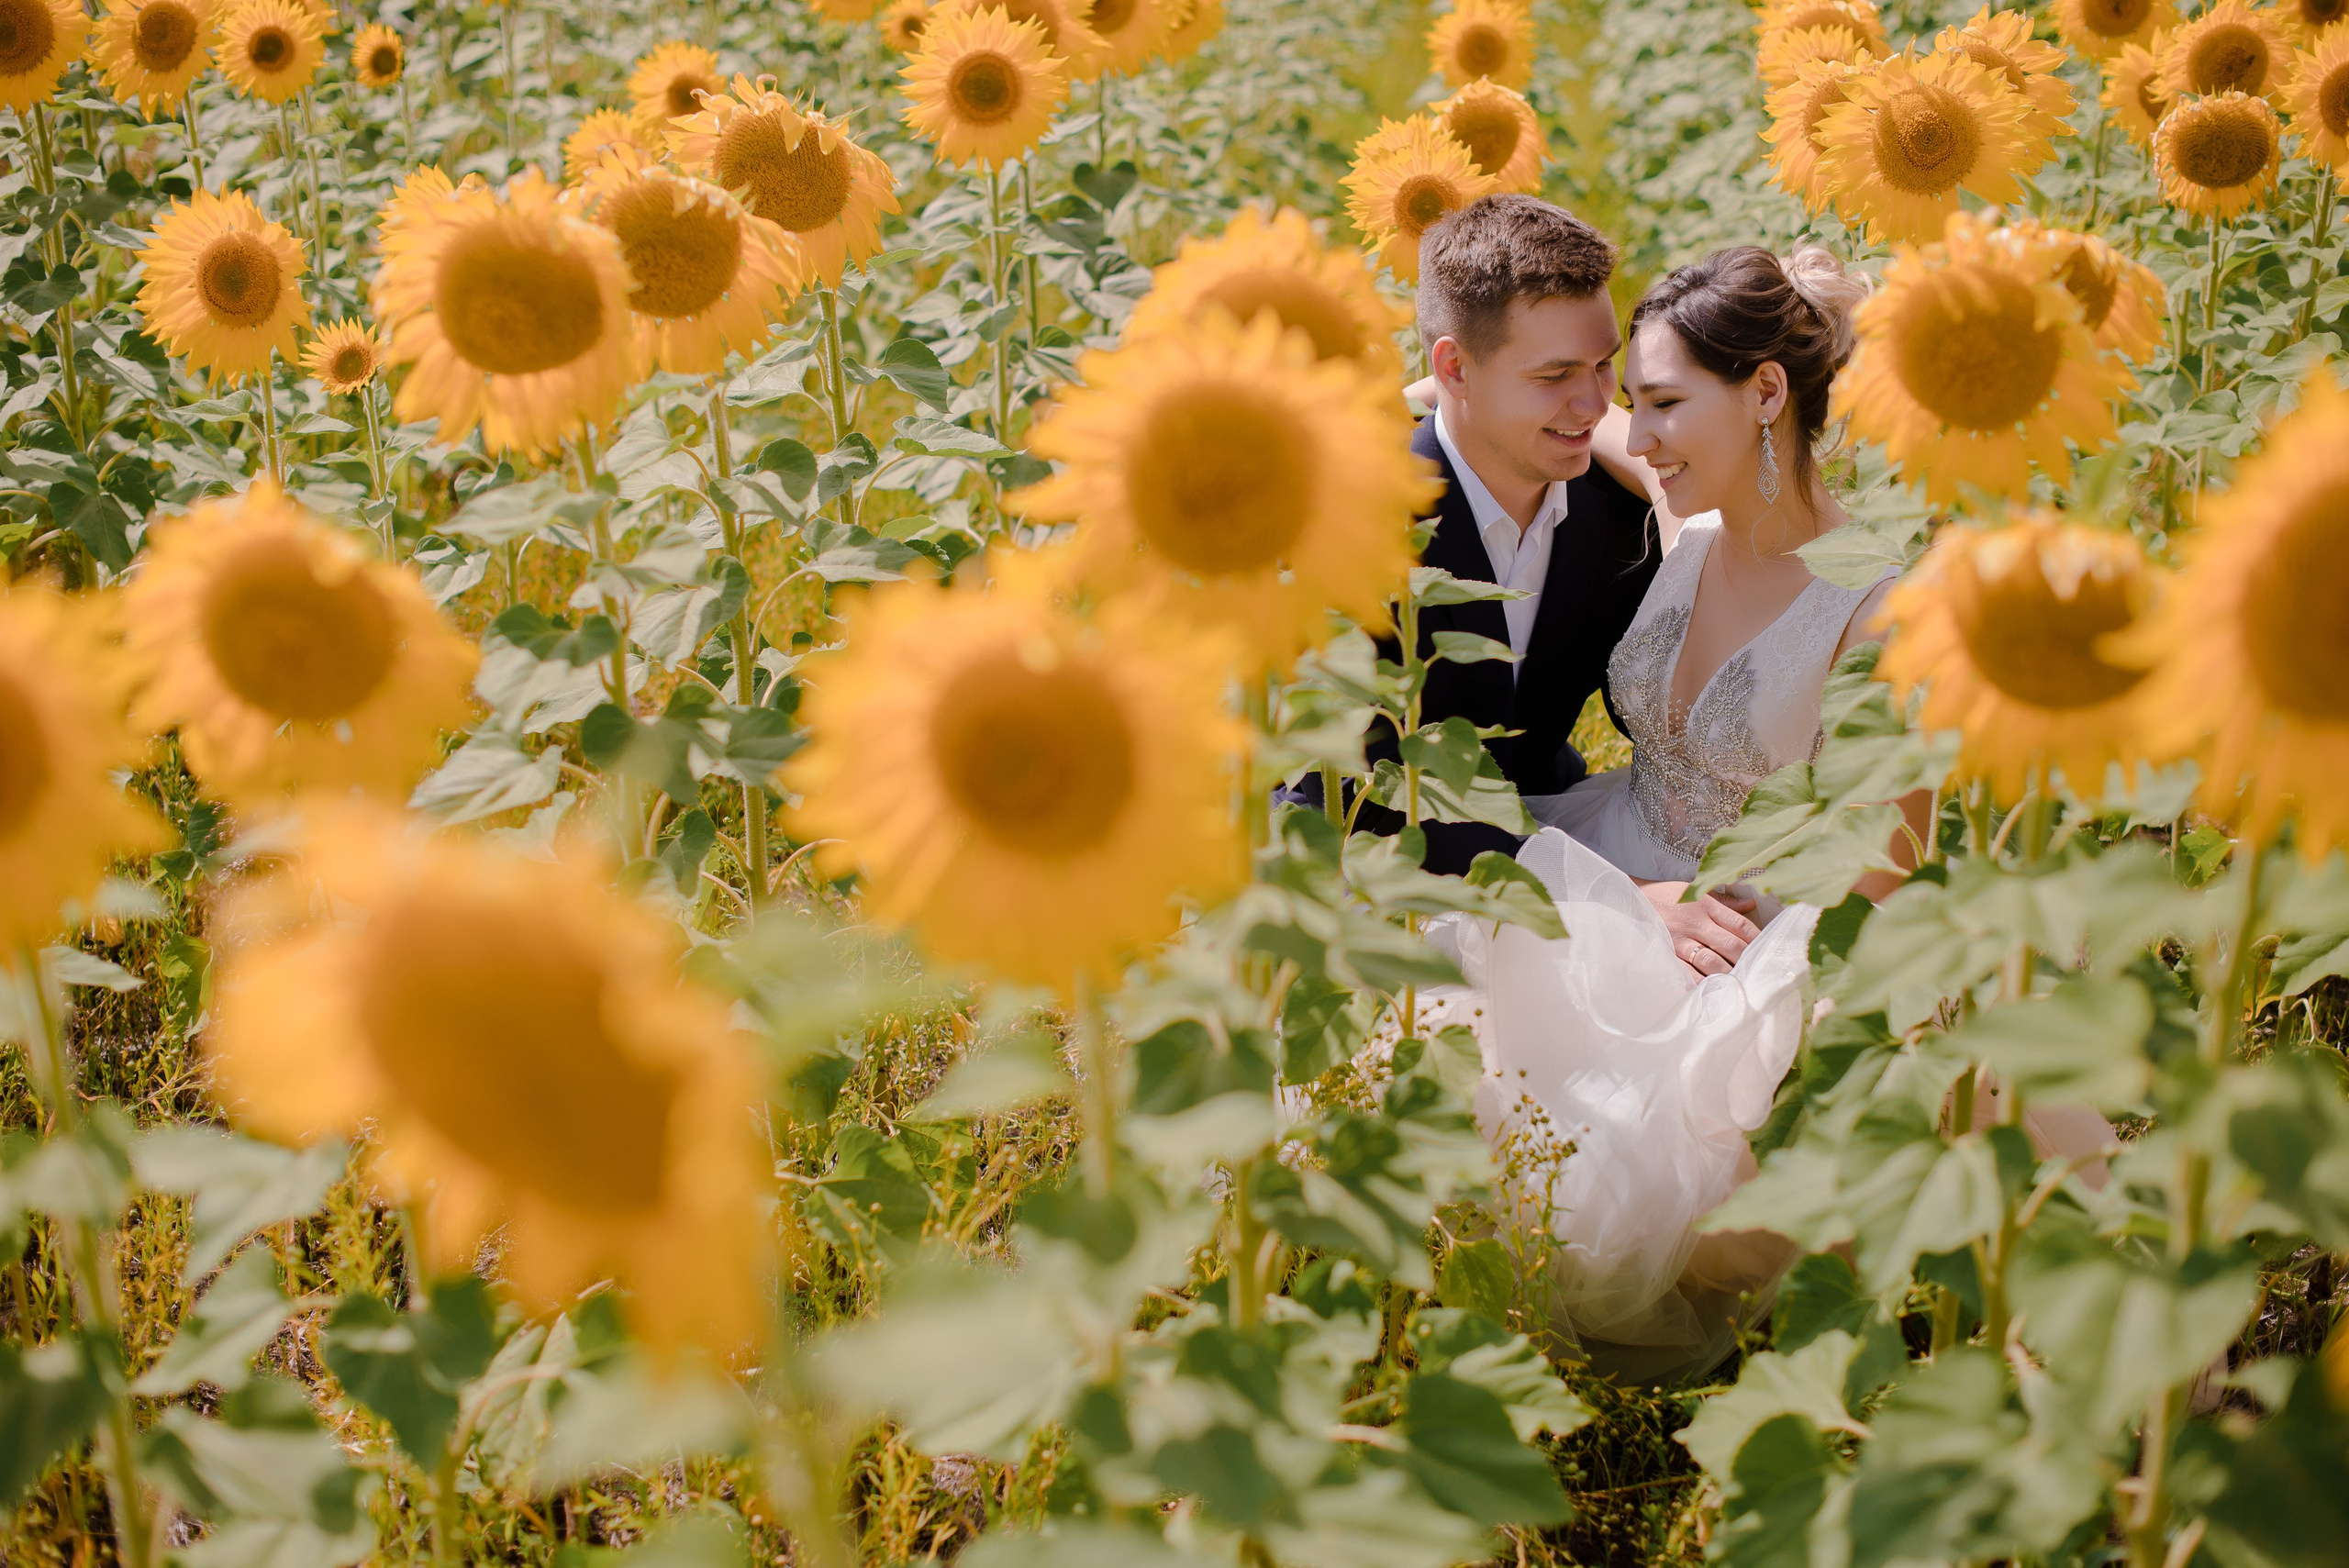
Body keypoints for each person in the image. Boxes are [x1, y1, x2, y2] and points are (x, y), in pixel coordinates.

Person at [1426, 244, 1918, 1383]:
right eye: (1629, 400)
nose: (1633, 434)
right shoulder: (1688, 520)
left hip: (1748, 920)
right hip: (1611, 855)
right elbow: (1589, 428)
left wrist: (1755, 990)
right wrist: (1447, 388)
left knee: (1669, 1187)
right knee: (1440, 1046)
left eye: (1659, 403)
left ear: (1765, 392)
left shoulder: (1879, 603)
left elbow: (1886, 869)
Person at [1317, 194, 1664, 878]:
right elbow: (1351, 792)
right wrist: (1605, 895)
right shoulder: (1356, 525)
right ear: (1453, 369)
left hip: (1551, 811)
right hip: (1381, 875)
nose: (1596, 405)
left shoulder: (1620, 515)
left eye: (1603, 365)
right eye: (1554, 376)